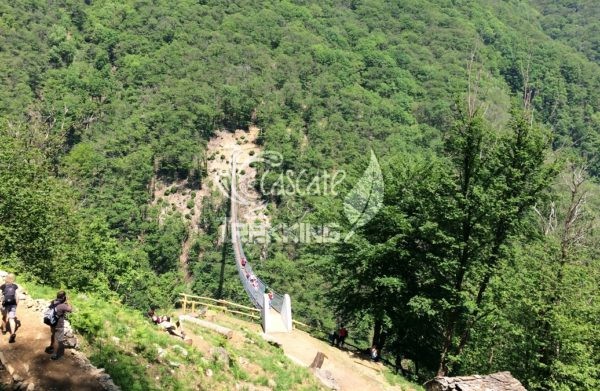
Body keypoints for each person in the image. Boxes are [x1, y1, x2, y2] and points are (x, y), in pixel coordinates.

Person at [45, 290, 72, 360]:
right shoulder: (63, 306)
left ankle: (51, 346)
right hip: (59, 325)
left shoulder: (53, 302)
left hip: (51, 323)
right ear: (63, 297)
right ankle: (55, 355)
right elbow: (70, 309)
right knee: (58, 340)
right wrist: (68, 301)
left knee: (53, 334)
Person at [1, 273, 20, 343]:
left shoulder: (2, 286)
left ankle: (4, 330)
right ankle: (12, 333)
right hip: (13, 304)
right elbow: (17, 297)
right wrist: (16, 305)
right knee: (12, 319)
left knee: (4, 316)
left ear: (7, 278)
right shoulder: (15, 286)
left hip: (4, 304)